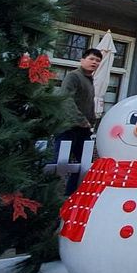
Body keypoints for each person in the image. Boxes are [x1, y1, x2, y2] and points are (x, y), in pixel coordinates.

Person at [55, 48, 102, 194]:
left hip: (84, 129)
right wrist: (80, 119)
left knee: (84, 164)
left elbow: (88, 103)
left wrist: (92, 120)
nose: (94, 62)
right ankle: (51, 195)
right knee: (59, 163)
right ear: (82, 60)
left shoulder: (90, 80)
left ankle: (71, 193)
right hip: (68, 127)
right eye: (91, 59)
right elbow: (66, 99)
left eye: (97, 60)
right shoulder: (73, 76)